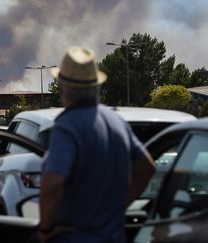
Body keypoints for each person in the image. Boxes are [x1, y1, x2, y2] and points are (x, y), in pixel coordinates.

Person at [38, 47, 155, 243]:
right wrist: (117, 208)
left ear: (63, 87)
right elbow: (147, 168)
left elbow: (53, 183)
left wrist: (45, 229)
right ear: (96, 87)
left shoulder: (67, 125)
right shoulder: (116, 121)